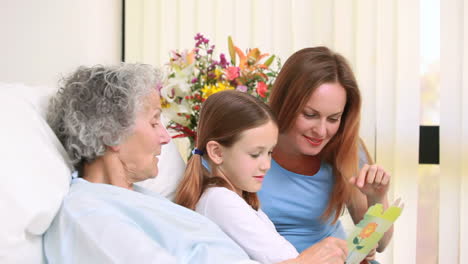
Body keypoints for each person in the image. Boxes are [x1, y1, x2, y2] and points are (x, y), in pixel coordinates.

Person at [43, 64, 259, 263]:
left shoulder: (139, 199)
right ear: (111, 134)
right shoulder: (87, 214)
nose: (166, 137)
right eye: (155, 122)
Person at [175, 90, 348, 264]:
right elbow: (288, 258)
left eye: (269, 152)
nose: (267, 165)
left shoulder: (236, 199)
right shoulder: (220, 200)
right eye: (255, 154)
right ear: (217, 152)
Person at [257, 47, 392, 264]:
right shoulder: (244, 147)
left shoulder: (346, 149)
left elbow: (380, 244)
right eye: (310, 115)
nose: (321, 132)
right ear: (285, 103)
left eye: (333, 119)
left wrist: (377, 198)